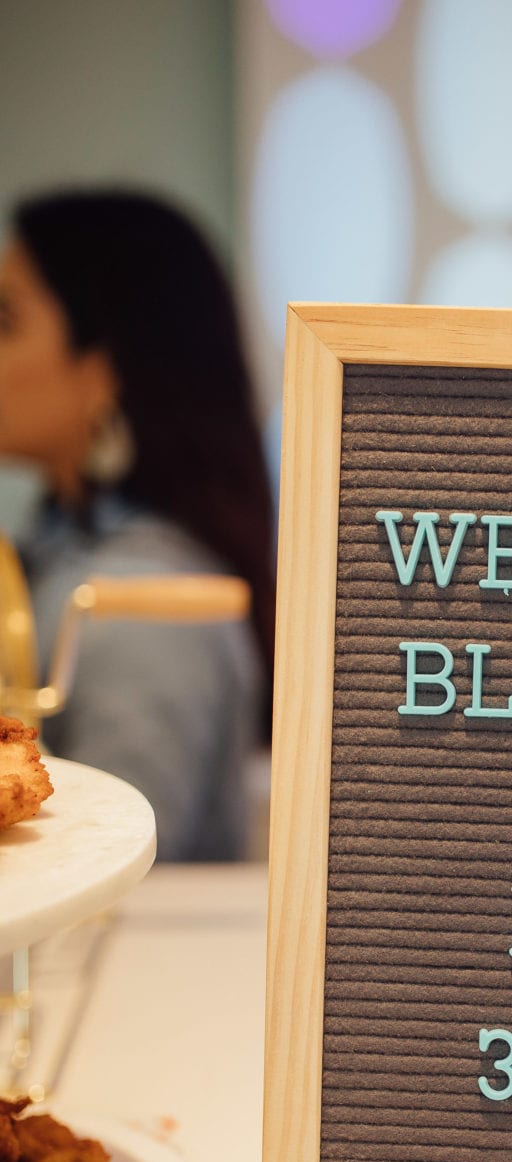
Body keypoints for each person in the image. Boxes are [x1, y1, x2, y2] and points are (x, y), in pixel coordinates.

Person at [0, 188, 275, 861]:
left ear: (104, 369)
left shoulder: (140, 605)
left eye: (5, 320)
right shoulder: (60, 554)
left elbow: (105, 887)